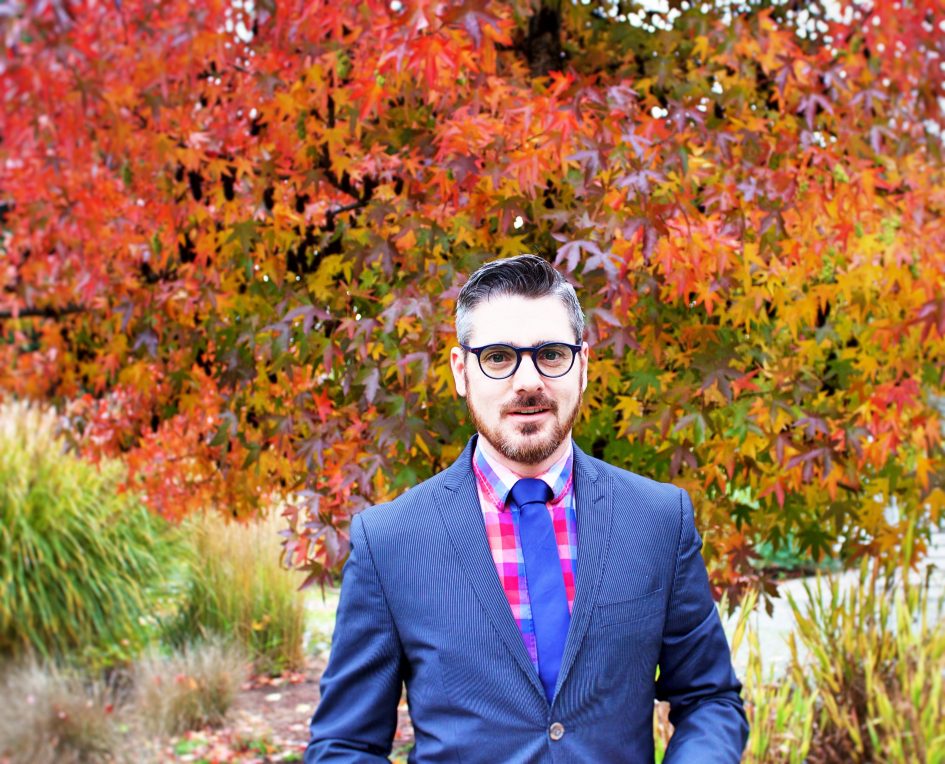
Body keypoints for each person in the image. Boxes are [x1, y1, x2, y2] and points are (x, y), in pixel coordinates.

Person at [305, 255, 748, 762]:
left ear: (582, 365)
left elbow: (709, 699)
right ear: (460, 371)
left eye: (551, 354)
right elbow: (345, 744)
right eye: (497, 357)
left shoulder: (657, 519)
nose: (527, 381)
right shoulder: (389, 541)